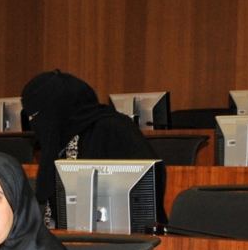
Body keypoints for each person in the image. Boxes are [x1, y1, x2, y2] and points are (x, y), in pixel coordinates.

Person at [22, 70, 157, 214]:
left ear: (57, 110)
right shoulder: (62, 138)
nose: (32, 123)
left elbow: (145, 188)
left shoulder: (112, 130)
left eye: (35, 115)